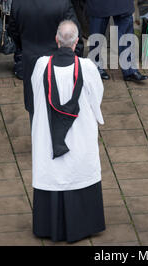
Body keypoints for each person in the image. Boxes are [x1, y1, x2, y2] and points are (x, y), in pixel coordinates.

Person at [31, 20, 105, 243]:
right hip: (79, 133)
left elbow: (35, 92)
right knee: (79, 169)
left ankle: (49, 226)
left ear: (56, 40)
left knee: (52, 172)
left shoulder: (42, 65)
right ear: (76, 43)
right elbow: (96, 98)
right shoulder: (87, 68)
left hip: (49, 135)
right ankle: (83, 225)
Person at [8, 0, 84, 117]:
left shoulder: (19, 1)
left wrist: (25, 47)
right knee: (57, 109)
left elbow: (13, 32)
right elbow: (74, 36)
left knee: (35, 110)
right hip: (57, 64)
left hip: (30, 61)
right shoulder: (63, 3)